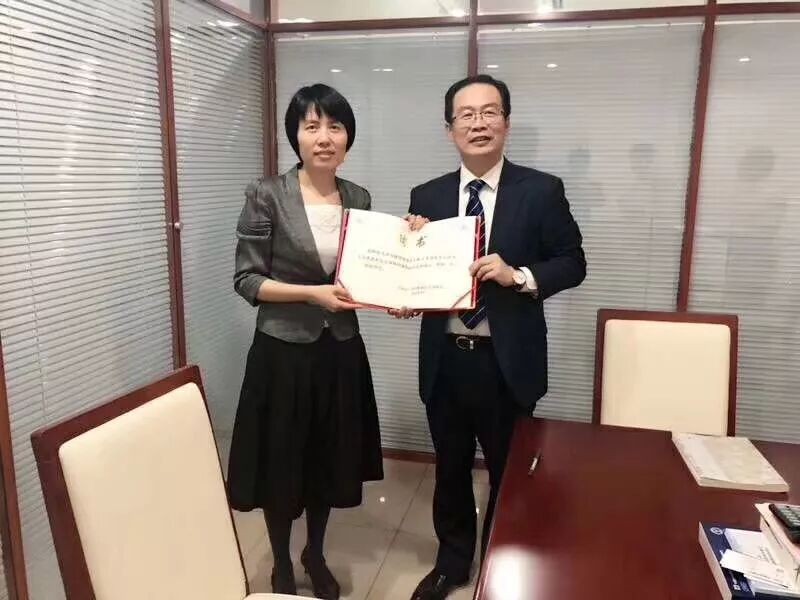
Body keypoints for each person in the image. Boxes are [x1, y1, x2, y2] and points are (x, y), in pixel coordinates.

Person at [400, 75, 586, 600]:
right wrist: (404, 284)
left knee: (511, 475)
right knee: (450, 469)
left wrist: (518, 276)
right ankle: (452, 563)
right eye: (466, 115)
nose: (478, 123)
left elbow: (573, 262)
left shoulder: (541, 190)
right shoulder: (427, 195)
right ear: (449, 128)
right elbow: (415, 272)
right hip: (446, 358)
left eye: (489, 112)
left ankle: (503, 567)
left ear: (506, 121)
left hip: (508, 362)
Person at [227, 84, 384, 599]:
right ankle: (280, 562)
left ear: (348, 138)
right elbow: (248, 281)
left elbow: (368, 270)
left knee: (326, 460)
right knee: (282, 463)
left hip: (340, 350)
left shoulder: (359, 198)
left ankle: (314, 553)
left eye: (335, 127)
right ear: (294, 135)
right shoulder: (266, 194)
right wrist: (312, 294)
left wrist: (408, 254)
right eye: (311, 126)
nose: (324, 137)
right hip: (282, 353)